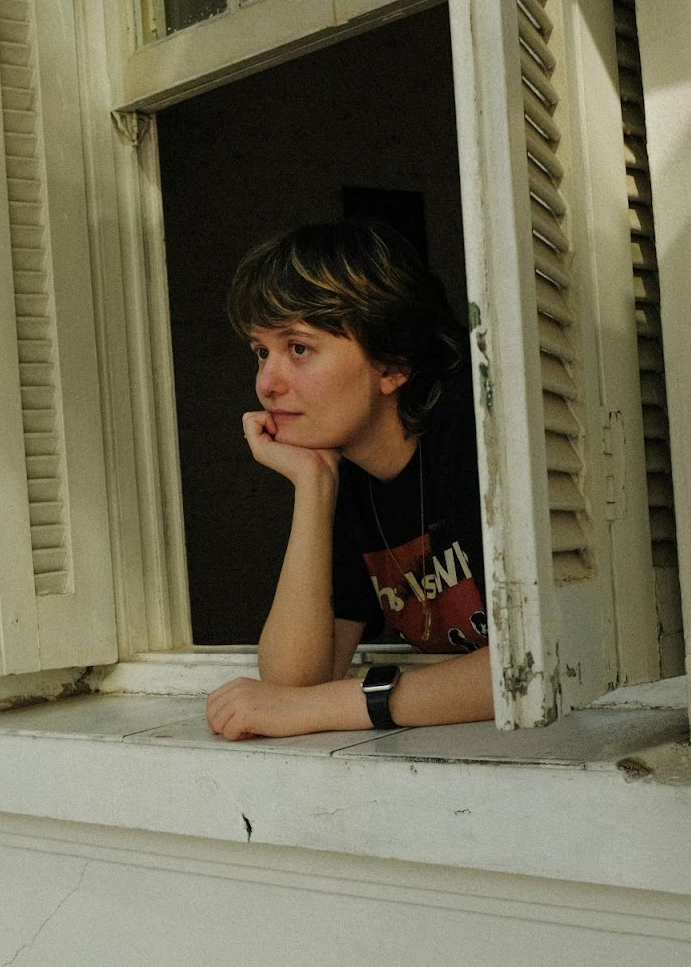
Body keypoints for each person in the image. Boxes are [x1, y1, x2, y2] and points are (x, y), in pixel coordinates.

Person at [204, 221, 495, 741]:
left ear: (391, 364)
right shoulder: (346, 468)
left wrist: (343, 704)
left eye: (297, 348)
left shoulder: (472, 438)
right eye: (260, 351)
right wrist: (313, 486)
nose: (266, 384)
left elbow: (530, 664)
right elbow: (293, 682)